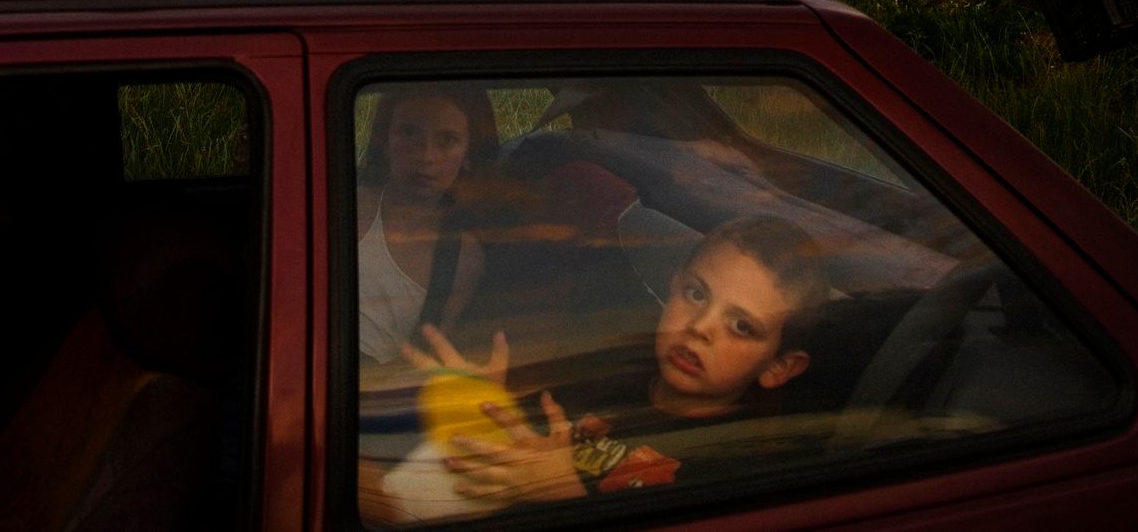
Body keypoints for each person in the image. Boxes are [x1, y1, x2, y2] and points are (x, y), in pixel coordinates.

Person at [393, 216, 828, 514]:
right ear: (674, 285)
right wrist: (492, 404)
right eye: (696, 294)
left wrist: (562, 492)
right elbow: (535, 450)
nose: (699, 327)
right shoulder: (609, 380)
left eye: (740, 326)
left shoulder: (738, 468)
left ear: (779, 367)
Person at [354, 85, 499, 365]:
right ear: (384, 140)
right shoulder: (351, 204)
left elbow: (426, 355)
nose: (426, 156)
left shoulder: (462, 255)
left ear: (469, 154)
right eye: (409, 133)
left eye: (447, 140)